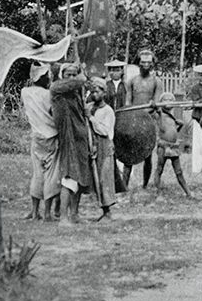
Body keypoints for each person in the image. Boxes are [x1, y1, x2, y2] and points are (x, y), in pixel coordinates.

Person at [51, 63, 92, 224]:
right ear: (62, 75)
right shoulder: (57, 89)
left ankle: (74, 214)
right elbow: (74, 82)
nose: (71, 77)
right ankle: (63, 217)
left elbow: (82, 116)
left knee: (81, 177)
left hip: (81, 140)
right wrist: (81, 77)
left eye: (74, 74)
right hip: (68, 140)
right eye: (67, 74)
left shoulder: (77, 93)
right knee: (69, 177)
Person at [22, 62, 60, 221]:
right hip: (51, 137)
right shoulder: (49, 94)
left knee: (37, 173)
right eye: (48, 76)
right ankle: (47, 213)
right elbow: (54, 115)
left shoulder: (25, 92)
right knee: (51, 174)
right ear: (44, 77)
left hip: (36, 136)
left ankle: (35, 210)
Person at [122, 49, 160, 189]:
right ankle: (124, 186)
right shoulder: (132, 81)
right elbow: (128, 102)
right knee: (128, 153)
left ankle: (144, 185)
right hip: (133, 120)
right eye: (143, 62)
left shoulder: (157, 81)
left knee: (147, 155)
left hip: (148, 122)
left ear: (152, 64)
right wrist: (130, 115)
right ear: (138, 63)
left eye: (148, 62)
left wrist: (144, 113)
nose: (145, 65)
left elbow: (156, 103)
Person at [87, 76, 118, 220]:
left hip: (104, 145)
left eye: (98, 91)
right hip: (94, 144)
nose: (95, 94)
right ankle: (102, 208)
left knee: (105, 177)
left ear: (104, 93)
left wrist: (91, 118)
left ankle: (108, 211)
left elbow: (105, 131)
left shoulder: (108, 111)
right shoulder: (90, 107)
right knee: (96, 176)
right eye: (93, 91)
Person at [154, 91, 192, 198]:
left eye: (170, 100)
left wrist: (179, 126)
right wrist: (156, 106)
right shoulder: (160, 114)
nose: (168, 102)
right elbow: (154, 111)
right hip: (163, 146)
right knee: (159, 169)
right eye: (165, 99)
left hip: (173, 147)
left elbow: (173, 131)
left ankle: (188, 192)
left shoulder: (172, 117)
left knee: (179, 171)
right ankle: (158, 193)